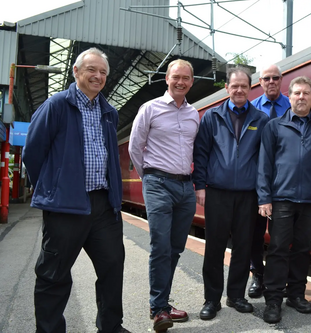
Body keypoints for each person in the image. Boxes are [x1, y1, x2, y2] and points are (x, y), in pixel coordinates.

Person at [23, 48, 129, 333]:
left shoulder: (109, 112)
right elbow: (33, 153)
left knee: (112, 267)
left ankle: (111, 327)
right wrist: (52, 188)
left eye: (103, 72)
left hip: (103, 205)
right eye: (92, 70)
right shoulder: (56, 105)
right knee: (54, 275)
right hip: (65, 205)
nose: (98, 76)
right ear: (76, 71)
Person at [193, 66, 269, 320]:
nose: (239, 90)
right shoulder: (212, 117)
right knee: (214, 247)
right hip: (217, 193)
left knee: (244, 247)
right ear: (226, 88)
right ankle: (212, 299)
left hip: (249, 195)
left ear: (250, 89)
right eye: (234, 86)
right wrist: (200, 186)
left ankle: (236, 295)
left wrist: (263, 193)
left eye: (244, 86)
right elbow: (201, 154)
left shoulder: (261, 120)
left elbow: (264, 160)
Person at [128, 59, 198, 332]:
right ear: (166, 78)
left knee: (175, 248)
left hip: (185, 187)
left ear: (191, 82)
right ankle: (158, 309)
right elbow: (135, 147)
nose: (180, 82)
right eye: (176, 76)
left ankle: (162, 304)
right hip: (158, 182)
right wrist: (149, 179)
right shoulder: (150, 109)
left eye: (186, 78)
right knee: (160, 245)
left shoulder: (194, 114)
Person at [257, 76, 311, 324]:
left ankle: (296, 295)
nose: (301, 97)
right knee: (278, 249)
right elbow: (264, 164)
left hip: (310, 201)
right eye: (297, 93)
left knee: (302, 249)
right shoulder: (274, 126)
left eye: (306, 93)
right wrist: (264, 198)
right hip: (281, 200)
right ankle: (273, 300)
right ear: (289, 97)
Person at [248, 63, 291, 298]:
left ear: (281, 80)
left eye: (276, 77)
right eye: (267, 78)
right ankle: (258, 275)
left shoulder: (292, 107)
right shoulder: (252, 109)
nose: (271, 81)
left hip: (284, 182)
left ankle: (277, 279)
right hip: (257, 182)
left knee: (281, 236)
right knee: (255, 233)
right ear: (260, 82)